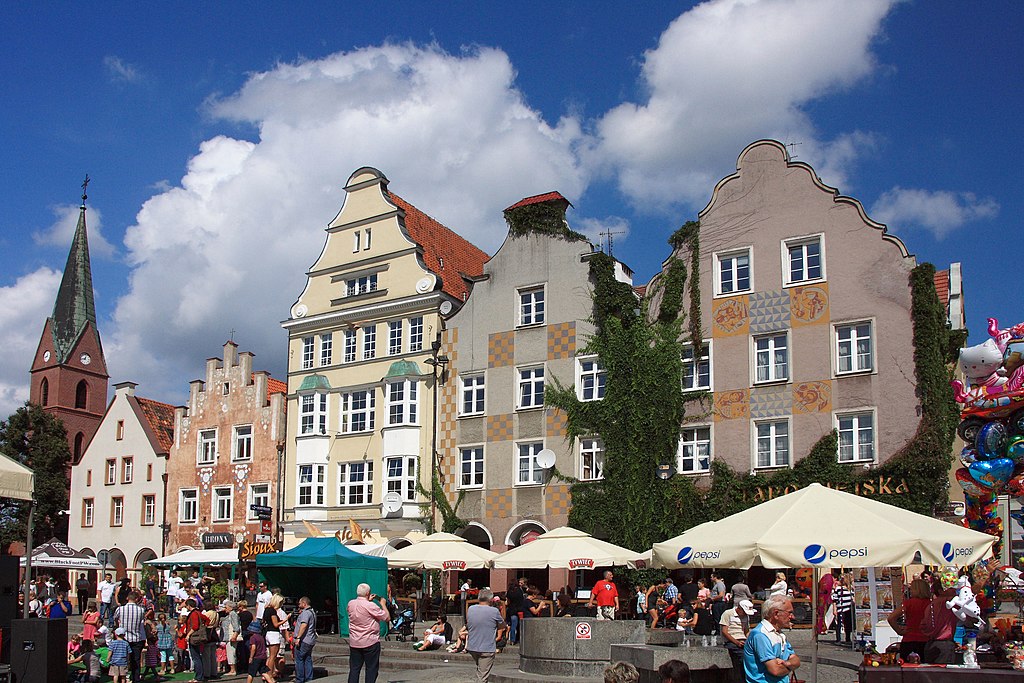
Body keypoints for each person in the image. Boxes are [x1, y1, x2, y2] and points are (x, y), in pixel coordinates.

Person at [743, 594, 800, 683]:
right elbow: (775, 670)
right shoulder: (760, 635)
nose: (792, 617)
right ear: (776, 614)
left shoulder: (780, 634)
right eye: (789, 612)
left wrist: (787, 663)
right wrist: (791, 665)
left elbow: (796, 660)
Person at [347, 583, 389, 683]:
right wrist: (382, 603)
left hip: (355, 641)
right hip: (370, 641)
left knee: (354, 669)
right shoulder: (370, 606)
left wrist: (367, 600)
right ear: (368, 593)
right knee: (371, 669)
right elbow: (387, 617)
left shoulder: (350, 603)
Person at [466, 588, 507, 683]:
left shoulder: (471, 609)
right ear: (491, 600)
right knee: (482, 676)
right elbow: (503, 625)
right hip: (486, 648)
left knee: (481, 670)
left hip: (472, 646)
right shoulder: (494, 611)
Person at [887, 578, 931, 661]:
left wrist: (899, 631)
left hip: (909, 639)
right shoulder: (930, 604)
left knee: (906, 669)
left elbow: (891, 618)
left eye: (912, 589)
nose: (910, 591)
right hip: (925, 640)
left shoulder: (908, 603)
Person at [920, 573, 959, 664]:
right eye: (949, 588)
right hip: (944, 644)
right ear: (941, 591)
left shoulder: (931, 605)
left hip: (931, 643)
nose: (953, 590)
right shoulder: (949, 602)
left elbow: (923, 626)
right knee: (943, 676)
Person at [720, 599, 756, 683]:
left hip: (744, 640)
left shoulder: (746, 616)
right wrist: (736, 642)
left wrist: (750, 640)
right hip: (732, 641)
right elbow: (724, 631)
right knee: (743, 657)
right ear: (739, 609)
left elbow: (746, 630)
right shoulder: (728, 613)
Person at [292, 596, 318, 683]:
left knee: (299, 659)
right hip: (310, 640)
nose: (298, 605)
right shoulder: (312, 612)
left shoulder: (306, 613)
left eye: (299, 603)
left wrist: (298, 637)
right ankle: (309, 678)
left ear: (304, 603)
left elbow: (304, 625)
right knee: (307, 658)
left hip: (304, 640)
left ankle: (300, 679)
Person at [184, 598, 210, 681]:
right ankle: (199, 676)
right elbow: (207, 620)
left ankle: (199, 677)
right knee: (198, 656)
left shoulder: (193, 614)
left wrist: (188, 634)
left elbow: (195, 626)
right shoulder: (198, 612)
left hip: (194, 637)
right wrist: (204, 627)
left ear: (189, 606)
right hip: (198, 636)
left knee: (196, 657)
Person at [264, 594, 289, 679]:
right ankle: (270, 675)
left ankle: (268, 674)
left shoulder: (266, 609)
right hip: (273, 634)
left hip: (268, 633)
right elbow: (275, 624)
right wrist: (285, 619)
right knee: (273, 657)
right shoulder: (272, 611)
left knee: (270, 656)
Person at [831, 573, 855, 647]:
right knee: (839, 624)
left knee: (848, 624)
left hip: (849, 608)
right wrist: (834, 609)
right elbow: (834, 599)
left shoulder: (851, 588)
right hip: (841, 608)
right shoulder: (839, 588)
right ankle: (838, 639)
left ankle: (847, 638)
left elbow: (853, 597)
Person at [504, 578, 527, 645]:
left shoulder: (509, 591)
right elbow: (522, 600)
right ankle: (521, 639)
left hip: (512, 609)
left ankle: (512, 640)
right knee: (521, 624)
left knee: (513, 625)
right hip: (520, 609)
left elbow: (508, 601)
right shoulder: (519, 590)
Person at [221, 600, 240, 676]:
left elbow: (236, 626)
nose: (225, 609)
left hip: (231, 636)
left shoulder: (233, 614)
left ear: (231, 608)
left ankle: (233, 670)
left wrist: (234, 635)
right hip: (228, 636)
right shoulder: (230, 614)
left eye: (226, 607)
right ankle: (232, 669)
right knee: (230, 652)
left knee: (231, 653)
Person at [156, 611, 176, 675]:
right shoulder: (167, 625)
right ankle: (172, 669)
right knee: (170, 655)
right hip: (168, 640)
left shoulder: (158, 626)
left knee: (163, 656)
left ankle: (162, 669)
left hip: (162, 641)